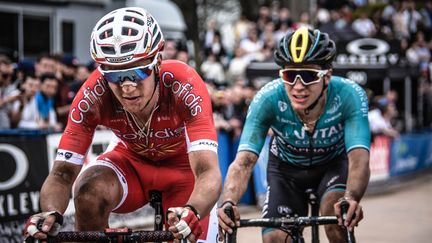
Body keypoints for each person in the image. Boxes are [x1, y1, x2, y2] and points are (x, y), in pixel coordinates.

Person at [24, 7, 221, 243]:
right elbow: (63, 174)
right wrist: (50, 213)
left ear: (158, 61)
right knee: (88, 193)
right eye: (114, 75)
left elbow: (207, 171)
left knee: (189, 232)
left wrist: (194, 210)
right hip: (132, 162)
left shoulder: (183, 84)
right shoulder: (92, 95)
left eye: (137, 72)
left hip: (184, 170)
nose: (127, 86)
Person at [217, 26, 371, 243]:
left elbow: (359, 158)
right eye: (290, 75)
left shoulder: (349, 95)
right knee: (274, 238)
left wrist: (351, 197)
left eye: (308, 75)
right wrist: (228, 202)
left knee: (336, 219)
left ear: (327, 75)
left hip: (332, 167)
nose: (298, 86)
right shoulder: (268, 99)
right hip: (286, 172)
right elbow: (243, 162)